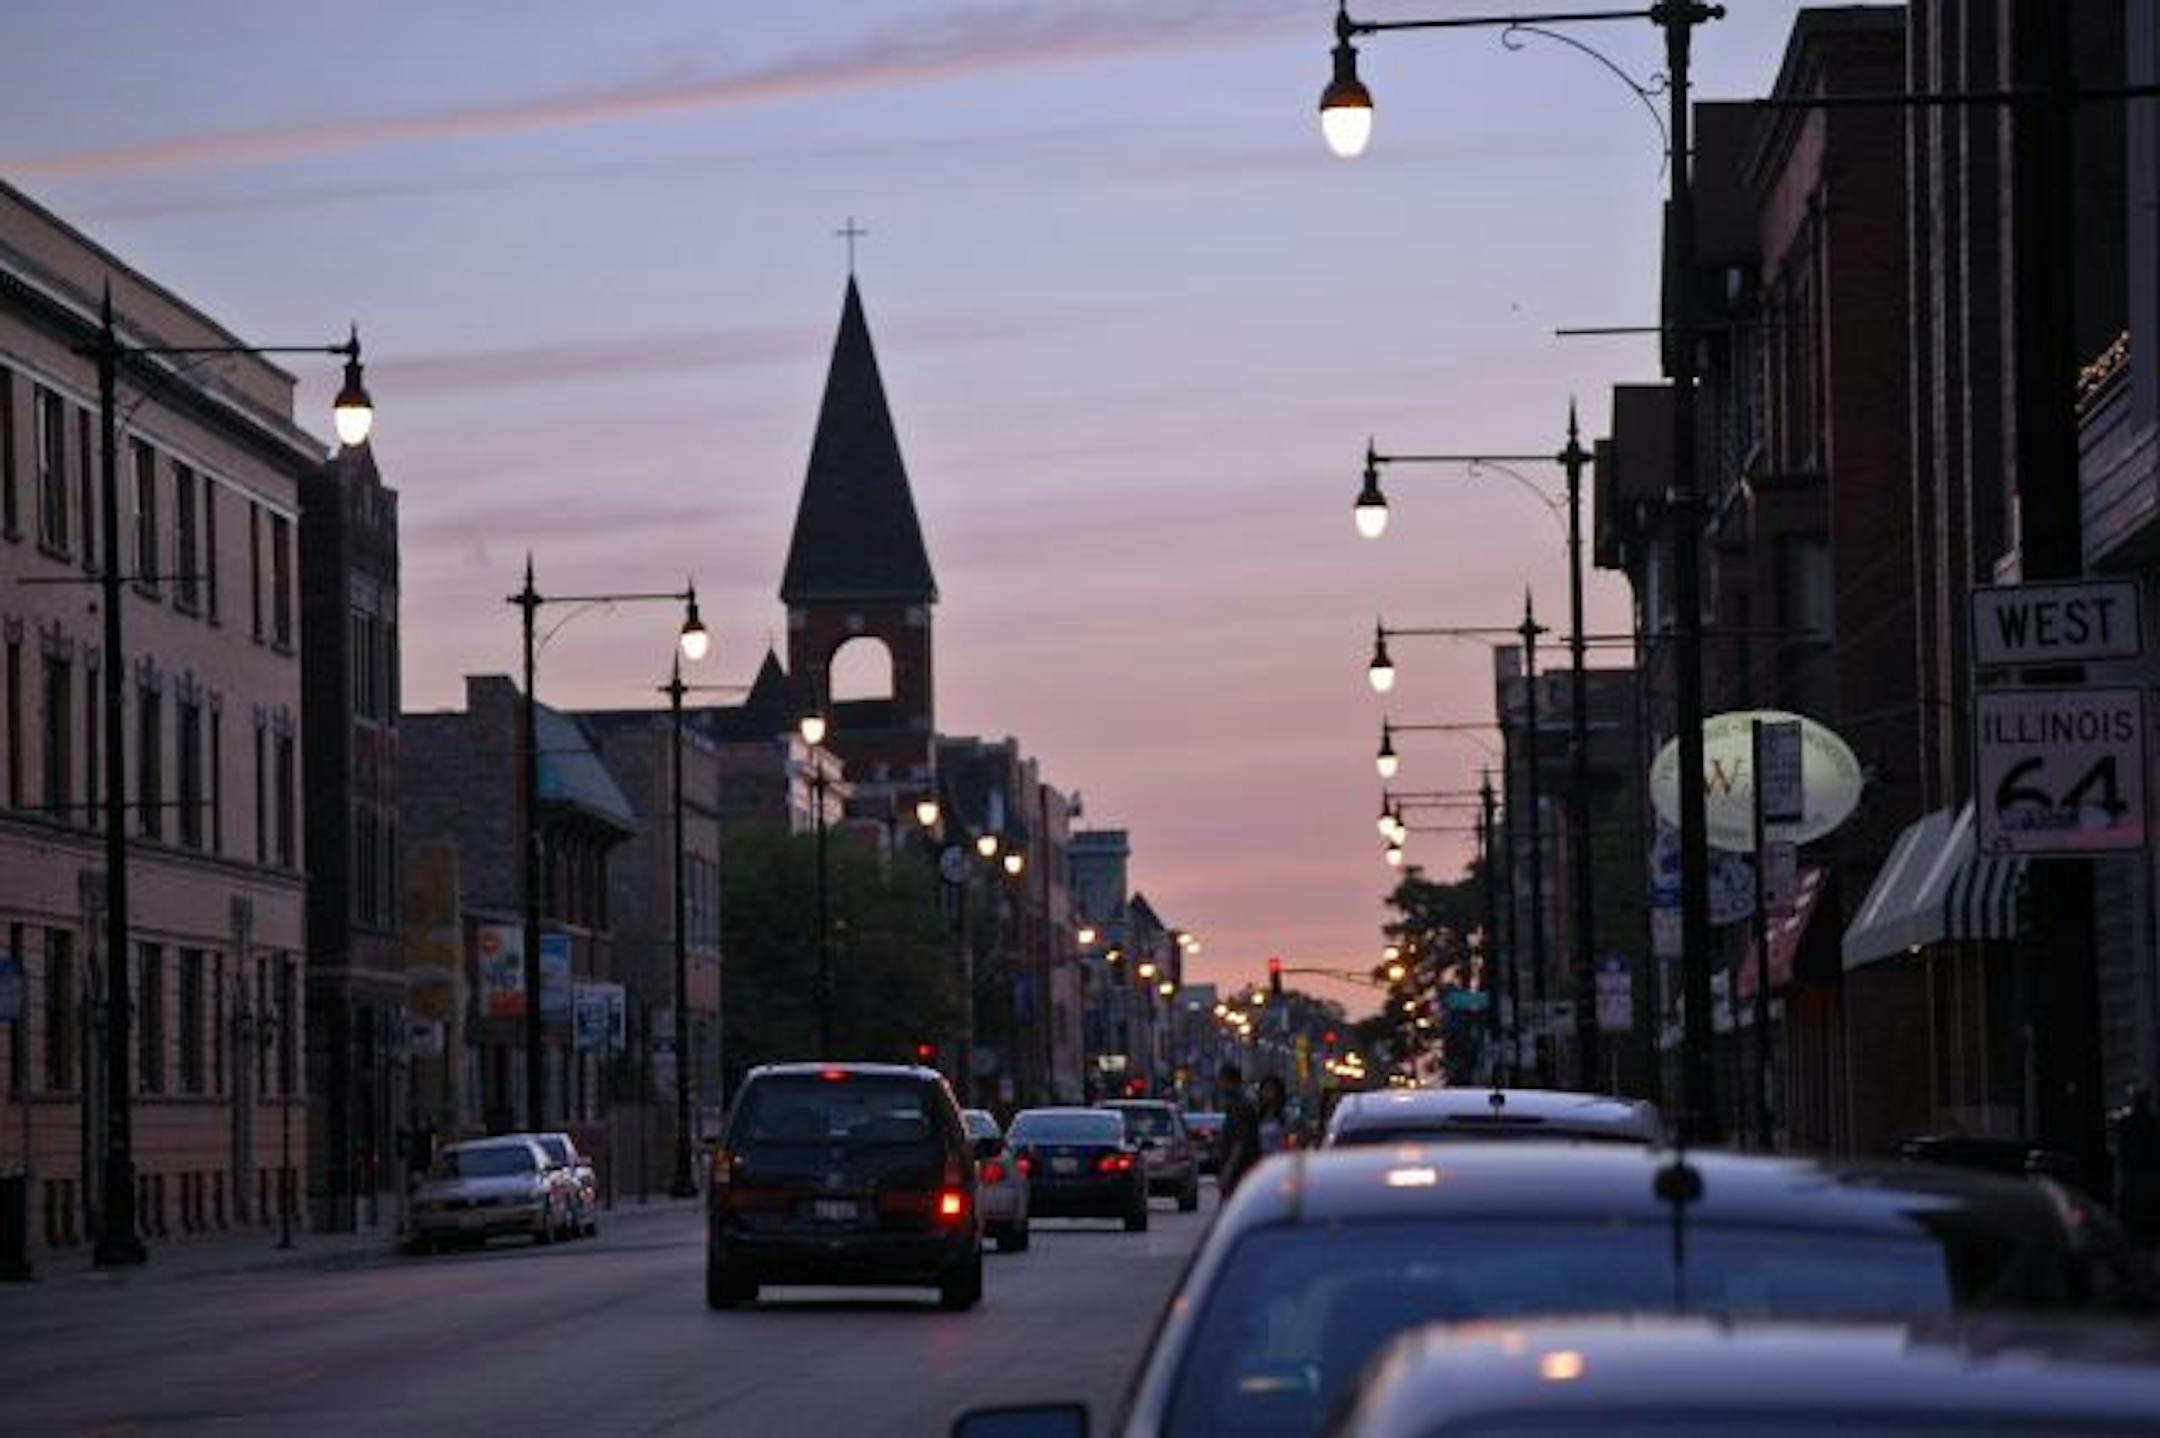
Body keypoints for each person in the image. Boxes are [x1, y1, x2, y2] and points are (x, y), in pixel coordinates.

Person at [2110, 1084, 2160, 1245]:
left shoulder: (2126, 1123)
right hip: (2144, 1176)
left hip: (2136, 1177)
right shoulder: (2151, 1122)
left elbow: (2118, 1148)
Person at [1216, 1064, 1260, 1198]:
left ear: (1231, 1082)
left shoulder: (1239, 1106)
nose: (1220, 1085)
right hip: (1241, 1168)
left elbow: (1240, 1142)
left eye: (1222, 1081)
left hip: (1240, 1169)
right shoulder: (1237, 1104)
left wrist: (1228, 1170)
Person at [1255, 1074, 1290, 1158]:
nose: (1267, 1093)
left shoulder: (1286, 1115)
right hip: (1261, 1161)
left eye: (1271, 1089)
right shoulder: (1258, 1115)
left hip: (1280, 1160)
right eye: (1264, 1089)